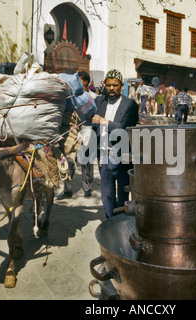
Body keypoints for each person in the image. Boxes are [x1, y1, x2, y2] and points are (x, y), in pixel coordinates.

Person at [91, 69, 139, 218]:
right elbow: (90, 119)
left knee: (124, 193)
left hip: (121, 156)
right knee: (107, 193)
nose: (111, 88)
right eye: (108, 85)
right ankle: (110, 221)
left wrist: (104, 122)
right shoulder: (99, 101)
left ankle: (122, 221)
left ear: (121, 85)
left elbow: (124, 127)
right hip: (104, 155)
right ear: (104, 85)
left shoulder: (130, 104)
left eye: (115, 85)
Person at [57, 70, 95, 199]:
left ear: (87, 84)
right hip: (71, 132)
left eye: (82, 85)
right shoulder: (69, 99)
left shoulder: (91, 98)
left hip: (87, 130)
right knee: (68, 159)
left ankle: (87, 188)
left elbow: (94, 116)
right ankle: (67, 189)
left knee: (87, 161)